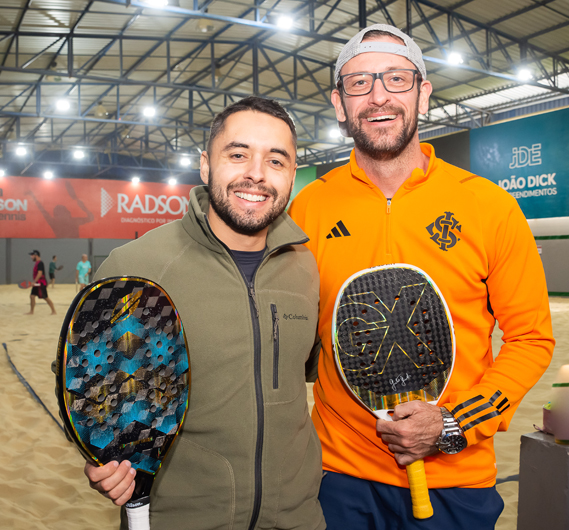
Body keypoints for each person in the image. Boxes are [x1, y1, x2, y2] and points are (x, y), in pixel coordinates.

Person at [289, 24, 555, 530]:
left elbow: (531, 339)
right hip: (336, 477)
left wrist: (454, 424)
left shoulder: (489, 206)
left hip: (456, 480)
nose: (379, 96)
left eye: (397, 78)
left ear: (423, 94)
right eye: (360, 83)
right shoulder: (308, 209)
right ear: (339, 104)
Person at [80, 96, 325, 530]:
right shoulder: (135, 266)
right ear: (206, 166)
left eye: (276, 160)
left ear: (291, 175)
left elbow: (302, 371)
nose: (257, 173)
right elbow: (83, 384)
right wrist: (102, 459)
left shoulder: (304, 266)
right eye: (238, 155)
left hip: (297, 517)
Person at [26, 250, 56, 315]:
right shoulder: (37, 263)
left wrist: (34, 282)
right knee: (32, 296)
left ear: (36, 255)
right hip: (37, 284)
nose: (31, 257)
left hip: (41, 283)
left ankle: (54, 311)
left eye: (32, 255)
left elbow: (40, 273)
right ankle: (31, 311)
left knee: (45, 297)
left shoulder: (40, 263)